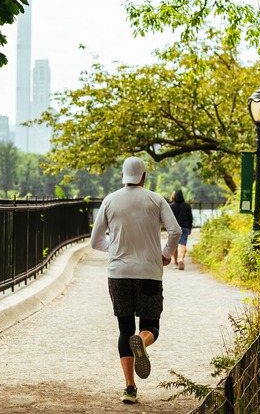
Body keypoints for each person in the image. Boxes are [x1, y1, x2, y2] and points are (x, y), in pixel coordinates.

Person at [89, 157, 181, 404]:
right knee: (151, 327)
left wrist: (116, 248)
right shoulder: (156, 199)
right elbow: (175, 231)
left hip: (118, 274)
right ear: (144, 176)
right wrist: (165, 253)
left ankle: (130, 387)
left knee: (124, 329)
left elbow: (95, 241)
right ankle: (142, 342)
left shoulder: (110, 200)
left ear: (122, 176)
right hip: (149, 272)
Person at [169, 189, 193, 270]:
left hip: (175, 228)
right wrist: (189, 228)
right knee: (183, 244)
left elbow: (169, 219)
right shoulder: (187, 206)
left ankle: (175, 262)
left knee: (174, 246)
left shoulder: (171, 206)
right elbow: (190, 218)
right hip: (185, 227)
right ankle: (181, 259)